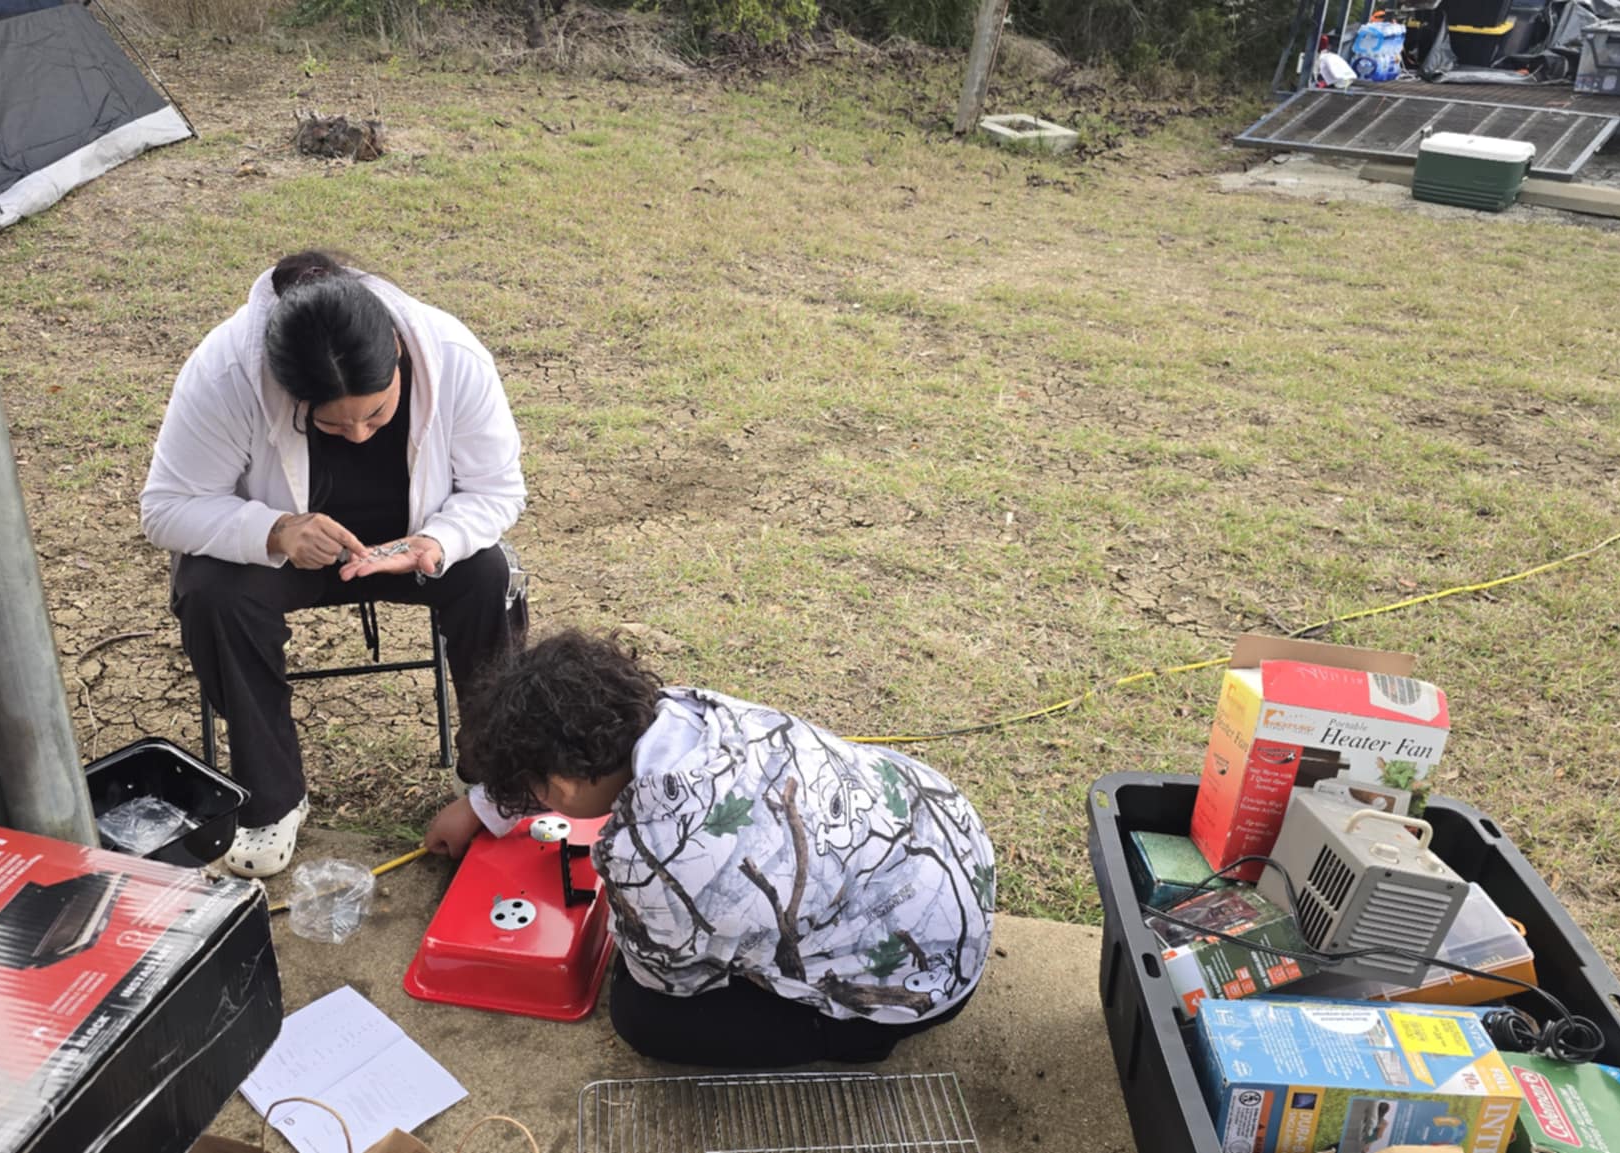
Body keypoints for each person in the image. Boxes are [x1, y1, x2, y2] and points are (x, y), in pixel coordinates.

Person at [424, 631, 997, 1067]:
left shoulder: (648, 857)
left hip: (921, 987)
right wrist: (482, 807)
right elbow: (571, 751)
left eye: (530, 792)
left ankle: (846, 1037)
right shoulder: (691, 709)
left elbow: (672, 982)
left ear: (563, 787)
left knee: (641, 1014)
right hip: (953, 859)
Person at [144, 251, 527, 878]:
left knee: (488, 575)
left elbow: (497, 490)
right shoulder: (226, 374)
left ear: (400, 355)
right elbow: (165, 508)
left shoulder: (454, 358)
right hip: (283, 551)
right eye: (329, 422)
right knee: (212, 591)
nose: (358, 436)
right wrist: (273, 530)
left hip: (411, 543)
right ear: (284, 388)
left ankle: (500, 782)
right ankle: (271, 798)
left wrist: (437, 541)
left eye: (377, 414)